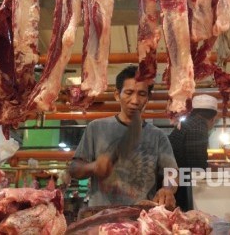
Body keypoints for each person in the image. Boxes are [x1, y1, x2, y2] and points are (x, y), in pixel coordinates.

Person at [69, 66, 178, 209]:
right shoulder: (96, 128)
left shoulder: (158, 136)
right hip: (102, 216)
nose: (135, 100)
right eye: (129, 93)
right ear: (116, 95)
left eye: (142, 94)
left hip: (142, 218)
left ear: (148, 98)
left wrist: (168, 189)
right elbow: (74, 169)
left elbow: (171, 171)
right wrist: (93, 166)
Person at [168, 94, 230, 211]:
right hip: (179, 193)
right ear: (213, 119)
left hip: (175, 188)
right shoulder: (198, 126)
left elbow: (197, 165)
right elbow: (199, 170)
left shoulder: (189, 124)